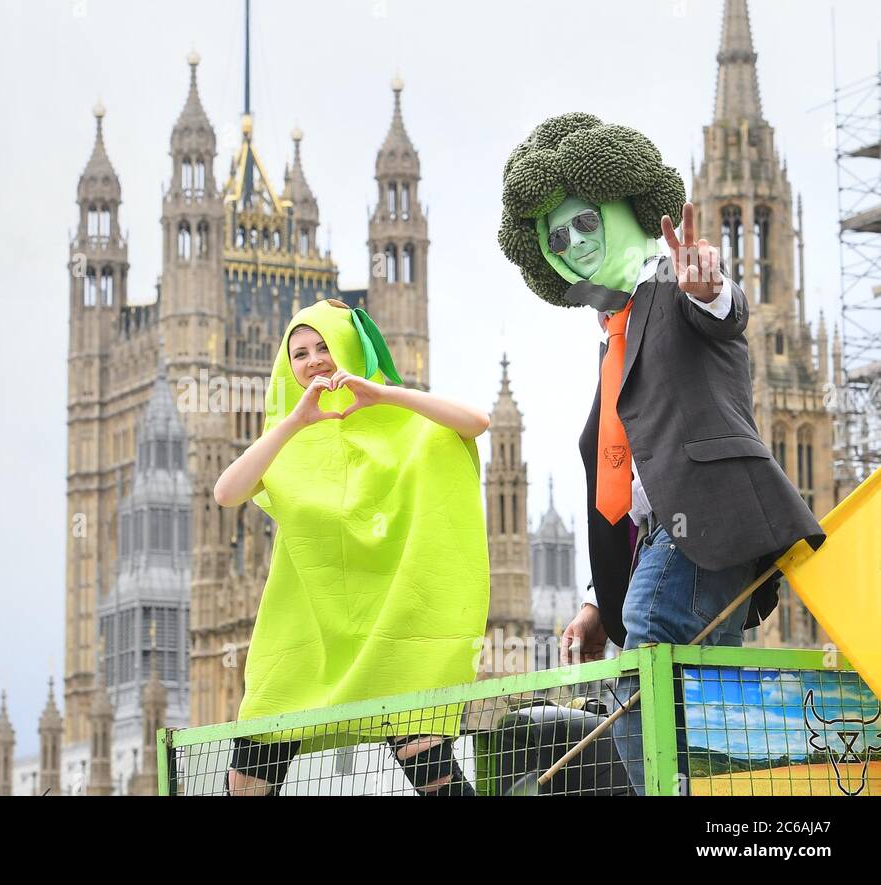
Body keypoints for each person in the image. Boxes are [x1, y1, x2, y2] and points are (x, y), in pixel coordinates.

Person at [497, 113, 825, 795]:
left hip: (706, 526)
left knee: (641, 673)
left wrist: (708, 286)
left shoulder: (672, 286)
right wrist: (595, 600)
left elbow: (723, 312)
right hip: (664, 537)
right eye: (557, 237)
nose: (574, 244)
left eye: (587, 224)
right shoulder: (612, 333)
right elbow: (629, 477)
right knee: (700, 698)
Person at [213, 297, 491, 796]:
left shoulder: (402, 425)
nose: (313, 360)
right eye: (299, 353)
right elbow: (226, 492)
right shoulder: (289, 441)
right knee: (246, 777)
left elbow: (476, 421)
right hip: (305, 634)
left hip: (393, 629)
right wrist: (294, 422)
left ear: (348, 346)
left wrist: (386, 396)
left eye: (324, 346)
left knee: (433, 776)